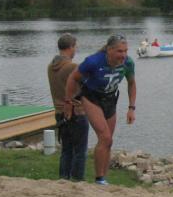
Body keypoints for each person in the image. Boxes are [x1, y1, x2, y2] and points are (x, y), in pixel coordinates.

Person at [64, 34, 136, 186]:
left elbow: (131, 83)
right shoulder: (93, 62)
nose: (123, 55)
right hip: (92, 98)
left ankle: (103, 179)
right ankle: (99, 178)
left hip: (110, 100)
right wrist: (68, 102)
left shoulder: (128, 63)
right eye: (119, 51)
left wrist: (131, 108)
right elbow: (73, 78)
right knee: (105, 137)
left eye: (125, 51)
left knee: (108, 141)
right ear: (109, 50)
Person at [47, 33, 88, 181]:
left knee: (66, 150)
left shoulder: (50, 67)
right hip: (76, 112)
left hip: (60, 112)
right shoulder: (73, 67)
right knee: (80, 150)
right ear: (70, 47)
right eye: (75, 46)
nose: (76, 49)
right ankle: (77, 179)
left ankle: (63, 178)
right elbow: (86, 86)